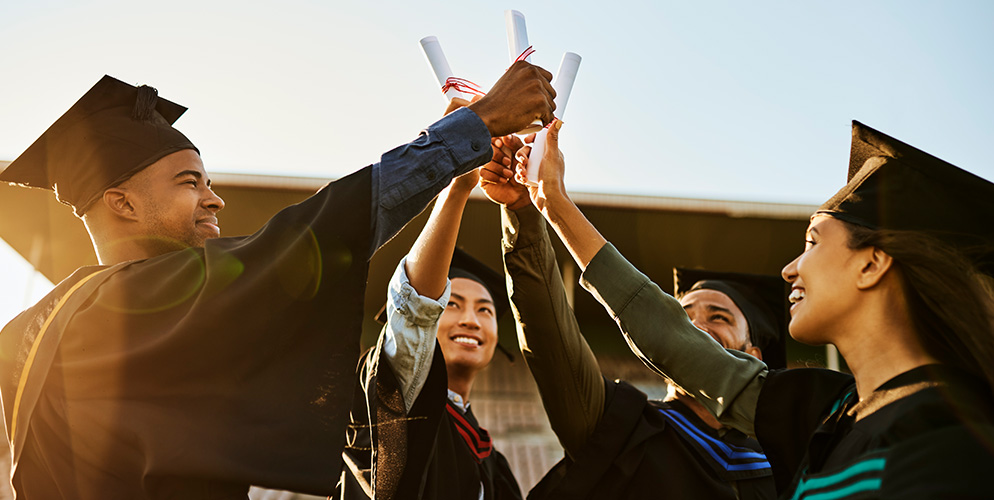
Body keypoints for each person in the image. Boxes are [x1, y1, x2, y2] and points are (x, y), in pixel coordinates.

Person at [0, 67, 554, 498]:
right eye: (190, 182)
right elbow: (318, 229)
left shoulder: (27, 332)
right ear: (120, 202)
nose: (214, 199)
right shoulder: (143, 299)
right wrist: (472, 127)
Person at [503, 119, 994, 498]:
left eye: (812, 242)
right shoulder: (824, 410)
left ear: (872, 265)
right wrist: (552, 203)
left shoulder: (956, 436)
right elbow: (668, 334)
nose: (790, 269)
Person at [479, 127, 780, 499]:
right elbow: (549, 335)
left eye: (719, 317)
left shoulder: (788, 462)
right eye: (682, 315)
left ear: (753, 357)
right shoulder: (621, 427)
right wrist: (523, 212)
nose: (696, 326)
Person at [339, 140, 522, 499]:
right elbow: (414, 313)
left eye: (485, 309)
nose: (471, 319)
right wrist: (457, 188)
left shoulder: (492, 462)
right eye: (452, 304)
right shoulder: (395, 410)